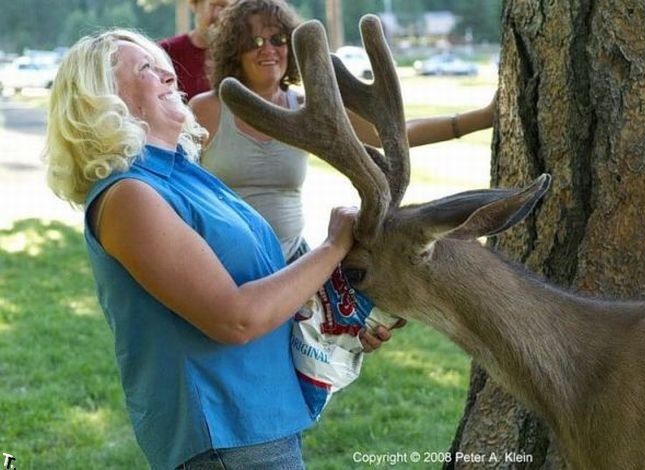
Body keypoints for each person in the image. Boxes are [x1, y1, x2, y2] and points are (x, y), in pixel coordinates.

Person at [43, 29, 392, 470]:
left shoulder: (186, 174)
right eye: (147, 69)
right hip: (225, 438)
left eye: (163, 66)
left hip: (261, 422)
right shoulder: (130, 196)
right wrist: (334, 244)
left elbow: (260, 285)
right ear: (100, 99)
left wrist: (338, 320)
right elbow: (235, 318)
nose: (169, 75)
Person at [190, 0, 496, 262]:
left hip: (293, 263)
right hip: (221, 264)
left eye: (278, 39)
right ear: (234, 51)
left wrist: (480, 119)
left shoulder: (309, 108)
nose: (268, 50)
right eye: (254, 42)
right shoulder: (206, 110)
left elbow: (388, 135)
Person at [159, 0, 232, 100]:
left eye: (226, 7)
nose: (218, 15)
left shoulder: (247, 56)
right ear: (195, 5)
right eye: (214, 5)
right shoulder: (167, 52)